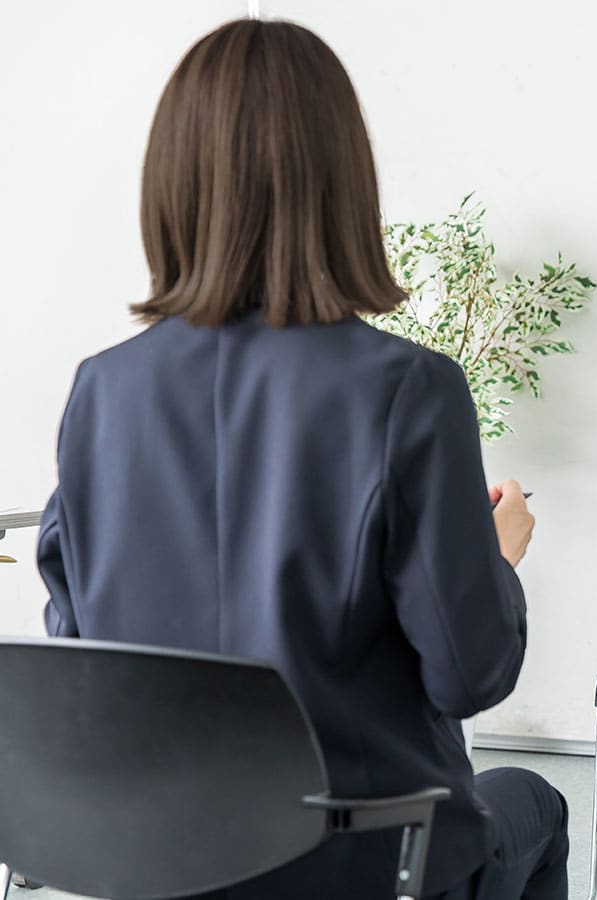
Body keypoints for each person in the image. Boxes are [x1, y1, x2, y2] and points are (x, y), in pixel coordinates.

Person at [35, 19, 566, 900]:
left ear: (171, 183)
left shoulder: (101, 392)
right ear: (343, 181)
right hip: (358, 860)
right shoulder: (408, 389)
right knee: (535, 806)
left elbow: (78, 648)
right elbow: (470, 677)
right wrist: (498, 557)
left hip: (153, 863)